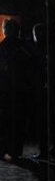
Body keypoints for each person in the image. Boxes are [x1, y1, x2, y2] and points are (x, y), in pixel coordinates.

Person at [0, 18, 33, 161]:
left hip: (6, 90)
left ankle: (4, 150)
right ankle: (16, 150)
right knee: (19, 121)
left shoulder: (3, 46)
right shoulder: (23, 46)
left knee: (5, 121)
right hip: (20, 90)